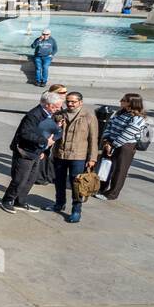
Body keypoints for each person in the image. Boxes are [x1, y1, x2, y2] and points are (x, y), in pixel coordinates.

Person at [0, 90, 64, 213]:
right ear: (48, 105)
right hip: (25, 151)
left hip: (36, 151)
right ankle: (7, 200)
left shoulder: (48, 114)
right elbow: (25, 133)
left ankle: (20, 201)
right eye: (57, 106)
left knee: (31, 178)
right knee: (20, 178)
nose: (59, 108)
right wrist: (45, 142)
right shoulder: (34, 115)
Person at [47, 91, 97, 223]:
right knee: (59, 181)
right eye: (67, 101)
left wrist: (92, 158)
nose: (70, 104)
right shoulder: (59, 114)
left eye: (73, 101)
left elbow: (93, 138)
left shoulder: (89, 116)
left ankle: (76, 210)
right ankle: (59, 203)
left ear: (80, 102)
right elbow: (50, 132)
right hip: (60, 154)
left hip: (78, 156)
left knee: (77, 184)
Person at [95, 93, 150, 202]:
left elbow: (127, 134)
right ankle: (100, 188)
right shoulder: (119, 113)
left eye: (124, 100)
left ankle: (112, 194)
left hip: (126, 146)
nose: (121, 101)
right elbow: (109, 126)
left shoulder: (138, 118)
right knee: (106, 166)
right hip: (110, 142)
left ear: (132, 103)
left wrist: (113, 145)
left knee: (120, 170)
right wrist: (106, 141)